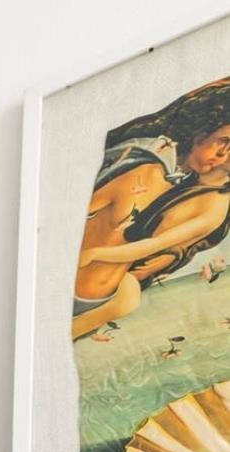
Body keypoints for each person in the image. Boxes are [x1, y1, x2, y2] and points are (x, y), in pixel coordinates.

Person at [73, 81, 230, 339]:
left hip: (96, 294)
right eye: (222, 143)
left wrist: (96, 255)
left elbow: (153, 246)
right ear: (200, 135)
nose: (222, 158)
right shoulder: (149, 169)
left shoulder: (201, 197)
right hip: (78, 282)